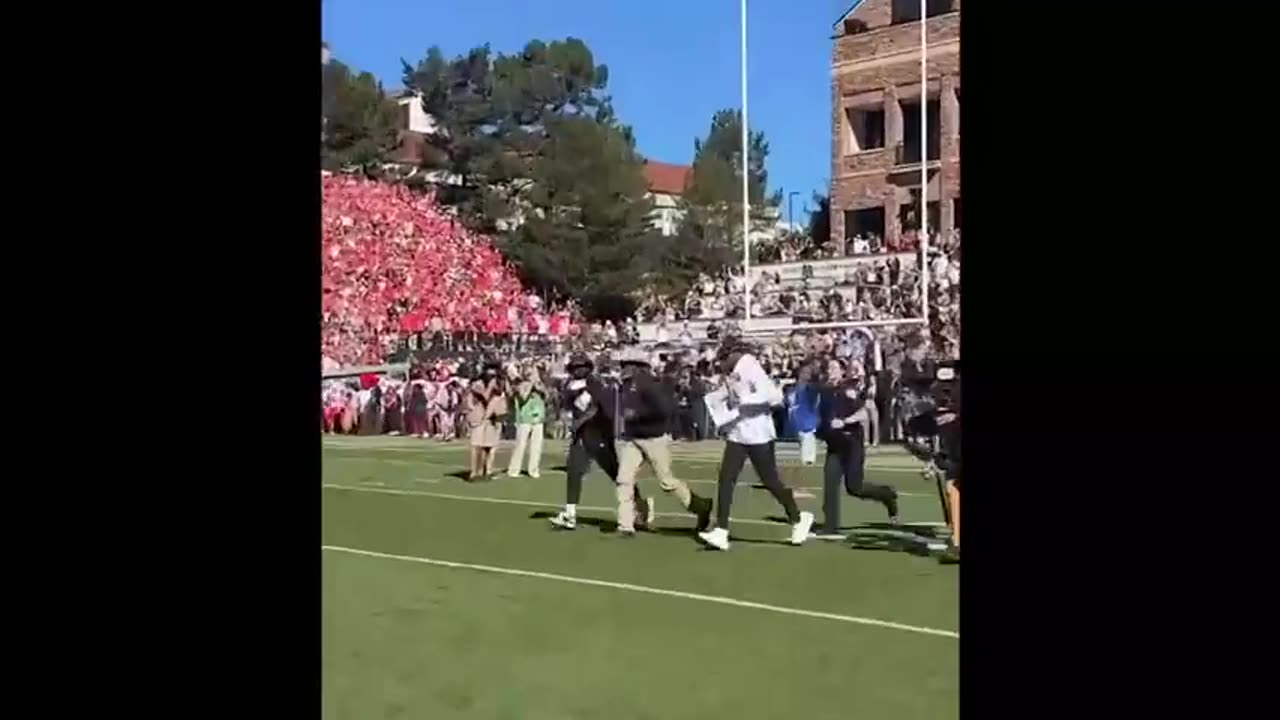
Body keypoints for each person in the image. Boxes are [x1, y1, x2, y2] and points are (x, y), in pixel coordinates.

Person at [698, 343, 813, 551]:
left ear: (732, 356)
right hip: (738, 433)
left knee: (770, 481)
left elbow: (773, 397)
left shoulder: (751, 367)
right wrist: (717, 403)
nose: (721, 366)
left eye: (723, 362)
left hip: (758, 434)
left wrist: (743, 401)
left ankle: (798, 517)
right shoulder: (733, 373)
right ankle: (721, 530)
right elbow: (728, 395)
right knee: (726, 478)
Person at [613, 347, 713, 538]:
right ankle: (625, 525)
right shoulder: (625, 385)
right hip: (633, 438)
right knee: (624, 479)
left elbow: (664, 410)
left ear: (639, 367)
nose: (624, 368)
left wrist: (638, 415)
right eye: (623, 365)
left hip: (654, 438)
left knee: (666, 482)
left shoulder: (650, 384)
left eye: (628, 365)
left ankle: (700, 507)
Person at [548, 353, 654, 531]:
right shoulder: (569, 385)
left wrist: (577, 423)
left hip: (599, 434)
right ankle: (570, 513)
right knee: (574, 471)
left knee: (616, 474)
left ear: (588, 367)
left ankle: (640, 505)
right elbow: (569, 408)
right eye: (575, 367)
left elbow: (595, 408)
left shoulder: (595, 383)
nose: (578, 369)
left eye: (581, 366)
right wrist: (567, 419)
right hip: (582, 436)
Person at [813, 358, 899, 539]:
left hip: (852, 444)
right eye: (829, 368)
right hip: (834, 446)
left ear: (843, 372)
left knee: (855, 488)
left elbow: (863, 413)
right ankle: (830, 525)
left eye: (835, 368)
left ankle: (887, 495)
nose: (831, 371)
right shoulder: (824, 390)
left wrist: (843, 422)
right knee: (830, 485)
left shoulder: (848, 389)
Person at [465, 364, 506, 481]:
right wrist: (491, 387)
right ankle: (473, 473)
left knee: (486, 446)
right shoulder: (477, 384)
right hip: (477, 418)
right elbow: (486, 397)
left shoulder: (495, 385)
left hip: (489, 418)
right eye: (490, 375)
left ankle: (484, 471)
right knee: (476, 446)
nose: (492, 377)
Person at [506, 368, 546, 478]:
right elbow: (523, 398)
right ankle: (514, 470)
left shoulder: (539, 385)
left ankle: (533, 470)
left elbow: (546, 396)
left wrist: (540, 387)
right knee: (520, 445)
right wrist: (530, 386)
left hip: (538, 419)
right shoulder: (520, 385)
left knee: (536, 447)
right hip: (525, 419)